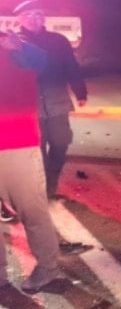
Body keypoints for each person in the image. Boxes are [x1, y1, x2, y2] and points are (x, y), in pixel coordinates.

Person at [1, 30, 66, 294]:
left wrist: (20, 48)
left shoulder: (12, 45)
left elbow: (45, 63)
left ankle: (48, 268)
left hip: (18, 144)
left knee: (32, 210)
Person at [11, 0, 88, 199]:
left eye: (37, 14)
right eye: (28, 15)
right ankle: (44, 187)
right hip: (28, 104)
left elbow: (72, 66)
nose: (33, 19)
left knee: (61, 142)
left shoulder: (58, 41)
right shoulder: (13, 43)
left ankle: (52, 178)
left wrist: (80, 92)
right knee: (37, 148)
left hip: (57, 100)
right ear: (19, 19)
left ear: (43, 17)